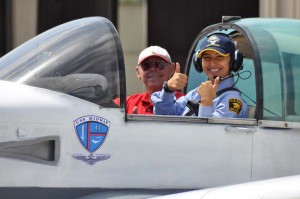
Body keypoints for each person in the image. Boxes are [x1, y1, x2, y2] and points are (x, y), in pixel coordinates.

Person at [151, 33, 248, 118]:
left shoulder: (232, 101)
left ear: (233, 61)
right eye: (207, 58)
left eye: (219, 57)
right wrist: (168, 89)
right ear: (198, 62)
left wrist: (206, 103)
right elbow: (163, 115)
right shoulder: (195, 93)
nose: (212, 63)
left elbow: (211, 136)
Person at [114, 46, 184, 114]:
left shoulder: (183, 102)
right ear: (138, 72)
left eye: (159, 64)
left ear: (171, 69)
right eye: (146, 65)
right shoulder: (126, 104)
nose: (153, 69)